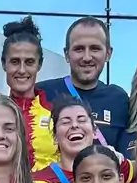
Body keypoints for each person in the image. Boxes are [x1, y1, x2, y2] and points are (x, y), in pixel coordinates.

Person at [36, 17, 130, 148]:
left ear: (108, 54)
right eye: (79, 49)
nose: (87, 57)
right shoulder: (41, 93)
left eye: (95, 49)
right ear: (67, 54)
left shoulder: (119, 99)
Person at [1, 17, 58, 171]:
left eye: (29, 62)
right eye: (14, 61)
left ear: (39, 64)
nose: (21, 70)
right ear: (3, 63)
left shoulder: (57, 114)